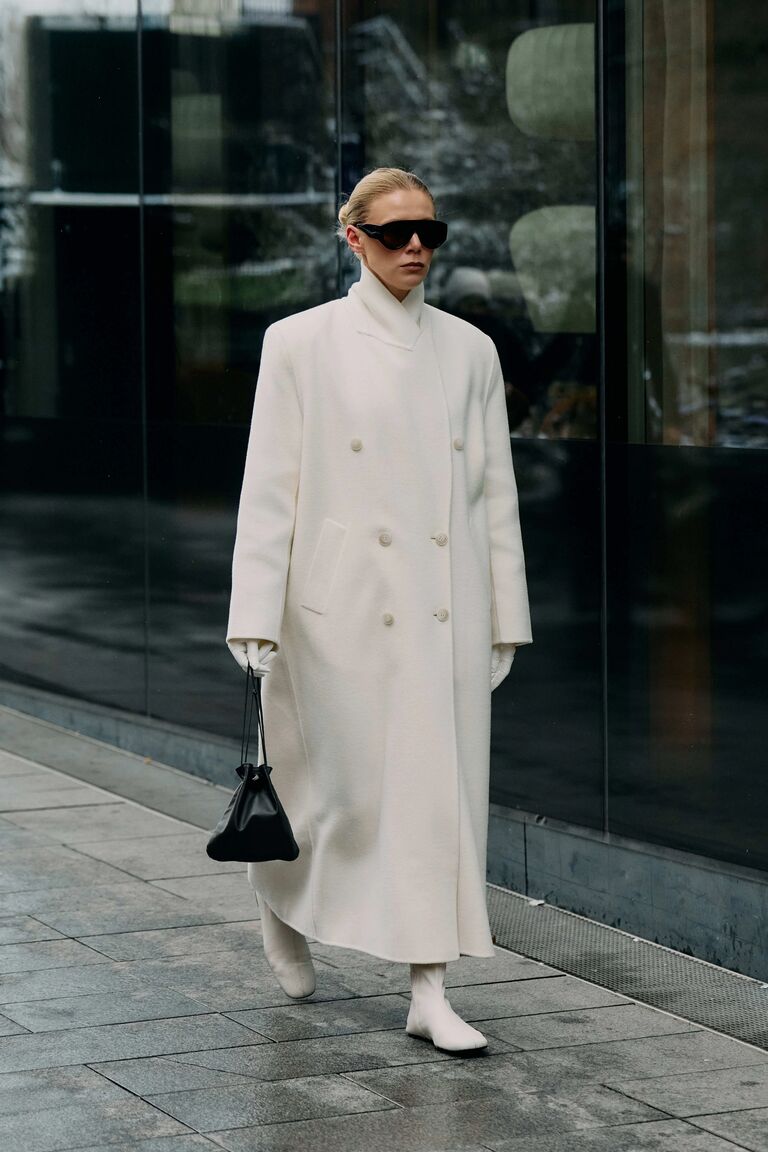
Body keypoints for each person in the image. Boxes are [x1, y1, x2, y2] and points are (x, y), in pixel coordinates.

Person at [226, 167, 533, 1053]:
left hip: (442, 609)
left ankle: (427, 989)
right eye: (397, 234)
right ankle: (277, 896)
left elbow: (493, 496)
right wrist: (255, 611)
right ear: (351, 238)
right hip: (334, 611)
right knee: (336, 795)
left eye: (429, 235)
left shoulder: (471, 350)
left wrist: (503, 614)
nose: (415, 250)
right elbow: (269, 487)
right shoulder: (299, 342)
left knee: (434, 801)